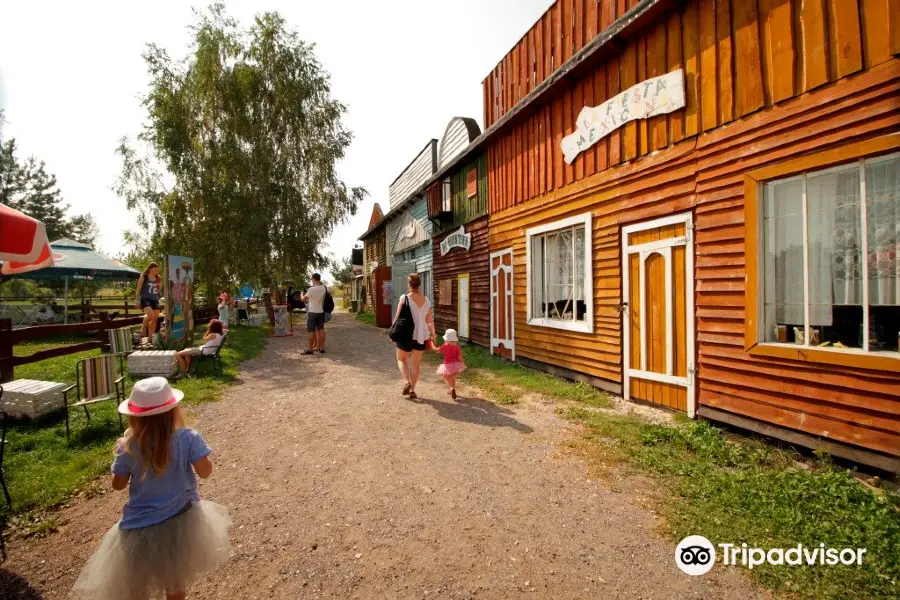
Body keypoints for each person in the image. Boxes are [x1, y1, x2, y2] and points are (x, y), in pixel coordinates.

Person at [71, 377, 231, 600]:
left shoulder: (129, 446)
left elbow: (117, 485)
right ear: (173, 410)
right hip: (181, 519)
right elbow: (206, 472)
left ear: (135, 417)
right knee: (174, 583)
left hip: (139, 527)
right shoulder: (188, 438)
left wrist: (121, 455)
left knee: (136, 586)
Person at [392, 273, 435, 400]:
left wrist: (393, 329)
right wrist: (433, 334)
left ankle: (406, 382)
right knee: (415, 364)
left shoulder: (404, 298)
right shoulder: (426, 300)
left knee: (401, 359)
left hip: (406, 334)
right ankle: (412, 390)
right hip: (421, 335)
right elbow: (429, 320)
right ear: (419, 284)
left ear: (409, 285)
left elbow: (397, 316)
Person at [436, 329, 466, 400]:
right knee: (452, 378)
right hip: (456, 365)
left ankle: (451, 388)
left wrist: (432, 345)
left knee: (445, 376)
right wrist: (462, 363)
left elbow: (437, 351)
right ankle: (452, 389)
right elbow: (459, 357)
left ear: (447, 339)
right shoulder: (457, 347)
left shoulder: (445, 346)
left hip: (447, 365)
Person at [301, 273, 327, 355]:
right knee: (321, 329)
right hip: (321, 312)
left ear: (313, 279)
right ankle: (321, 348)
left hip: (312, 312)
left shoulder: (311, 289)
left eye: (311, 279)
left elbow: (304, 300)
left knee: (311, 331)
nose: (311, 281)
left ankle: (310, 349)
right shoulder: (324, 288)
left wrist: (301, 295)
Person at [135, 263, 162, 340]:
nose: (157, 271)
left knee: (154, 320)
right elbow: (139, 288)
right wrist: (137, 300)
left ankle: (150, 338)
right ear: (150, 269)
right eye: (155, 269)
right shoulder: (144, 276)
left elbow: (159, 289)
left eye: (158, 270)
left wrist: (159, 287)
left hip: (155, 299)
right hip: (145, 299)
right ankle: (143, 328)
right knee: (150, 316)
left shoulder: (158, 277)